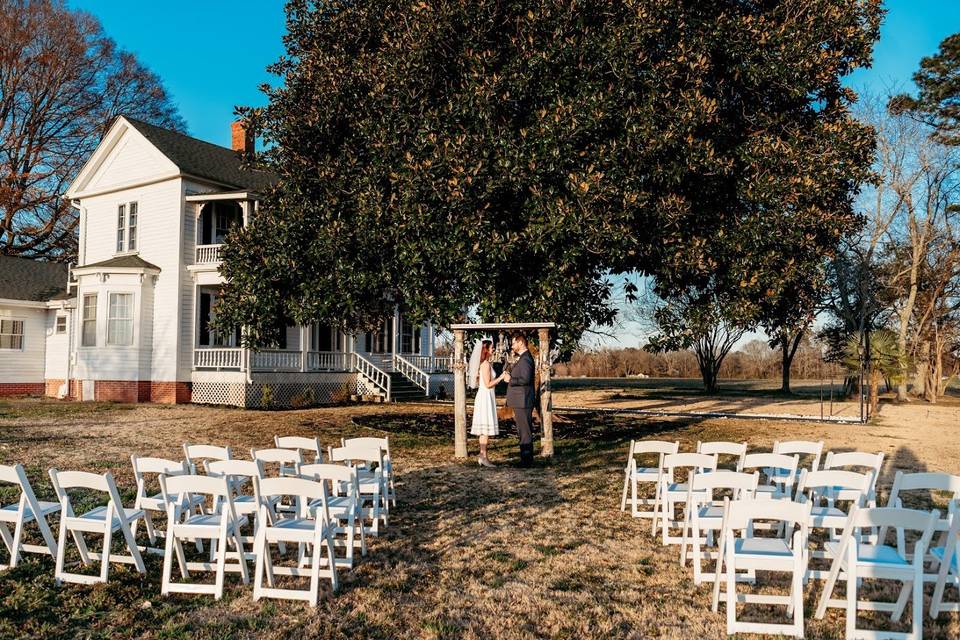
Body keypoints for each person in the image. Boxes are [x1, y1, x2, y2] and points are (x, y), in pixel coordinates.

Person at [468, 338, 507, 467]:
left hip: (487, 396)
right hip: (485, 396)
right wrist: (501, 377)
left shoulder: (486, 364)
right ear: (486, 350)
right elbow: (488, 384)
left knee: (485, 430)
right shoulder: (484, 364)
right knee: (484, 429)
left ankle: (483, 455)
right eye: (491, 348)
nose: (493, 350)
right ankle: (483, 456)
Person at [503, 332, 536, 466]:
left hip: (524, 401)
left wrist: (511, 379)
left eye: (514, 343)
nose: (512, 345)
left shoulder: (526, 359)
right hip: (520, 401)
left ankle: (527, 460)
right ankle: (525, 458)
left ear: (521, 342)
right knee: (522, 430)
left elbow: (525, 379)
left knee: (525, 430)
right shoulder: (521, 358)